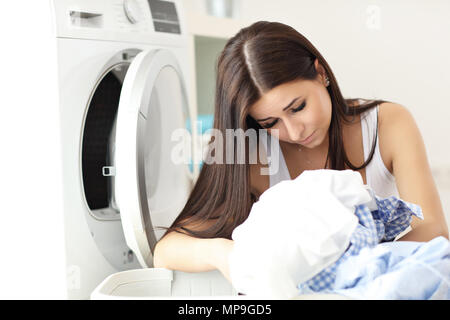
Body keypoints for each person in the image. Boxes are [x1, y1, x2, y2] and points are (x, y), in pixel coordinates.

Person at [153, 21, 448, 281]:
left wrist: (353, 269)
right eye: (270, 122)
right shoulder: (253, 154)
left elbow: (434, 231)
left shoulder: (388, 123)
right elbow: (166, 251)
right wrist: (225, 253)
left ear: (320, 73)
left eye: (298, 107)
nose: (295, 132)